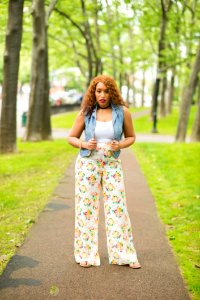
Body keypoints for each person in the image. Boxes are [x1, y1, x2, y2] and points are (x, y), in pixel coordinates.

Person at [68, 75, 141, 269]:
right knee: (86, 209)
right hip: (87, 164)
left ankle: (123, 254)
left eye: (106, 91)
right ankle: (86, 254)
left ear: (112, 92)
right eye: (98, 91)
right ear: (94, 92)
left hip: (111, 165)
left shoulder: (122, 112)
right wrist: (84, 143)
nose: (102, 95)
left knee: (117, 208)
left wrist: (120, 144)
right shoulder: (86, 112)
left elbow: (131, 136)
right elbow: (71, 137)